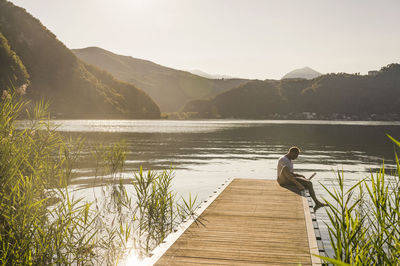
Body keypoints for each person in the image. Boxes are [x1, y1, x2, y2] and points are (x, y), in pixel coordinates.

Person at [277, 146, 326, 210]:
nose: (297, 157)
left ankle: (317, 202)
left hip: (289, 179)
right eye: (296, 155)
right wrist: (298, 181)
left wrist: (300, 176)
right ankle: (298, 185)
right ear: (291, 152)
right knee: (285, 168)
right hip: (282, 180)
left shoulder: (290, 161)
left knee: (309, 183)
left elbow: (291, 173)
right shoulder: (283, 159)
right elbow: (286, 172)